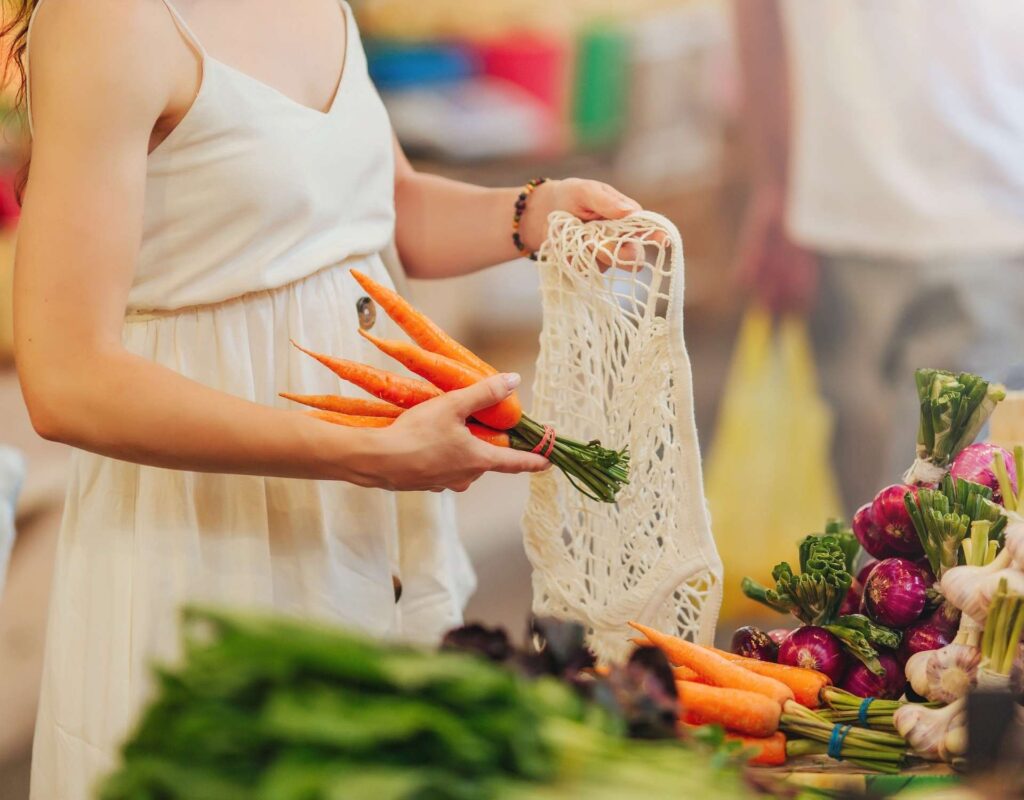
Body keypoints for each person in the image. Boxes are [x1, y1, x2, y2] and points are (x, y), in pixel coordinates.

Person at [7, 0, 643, 795]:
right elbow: (68, 379)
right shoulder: (111, 20)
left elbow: (383, 209)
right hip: (211, 528)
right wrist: (364, 453)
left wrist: (534, 214)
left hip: (361, 516)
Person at [734, 0, 1024, 511]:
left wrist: (775, 185)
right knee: (912, 525)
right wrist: (775, 187)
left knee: (927, 528)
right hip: (877, 213)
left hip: (964, 209)